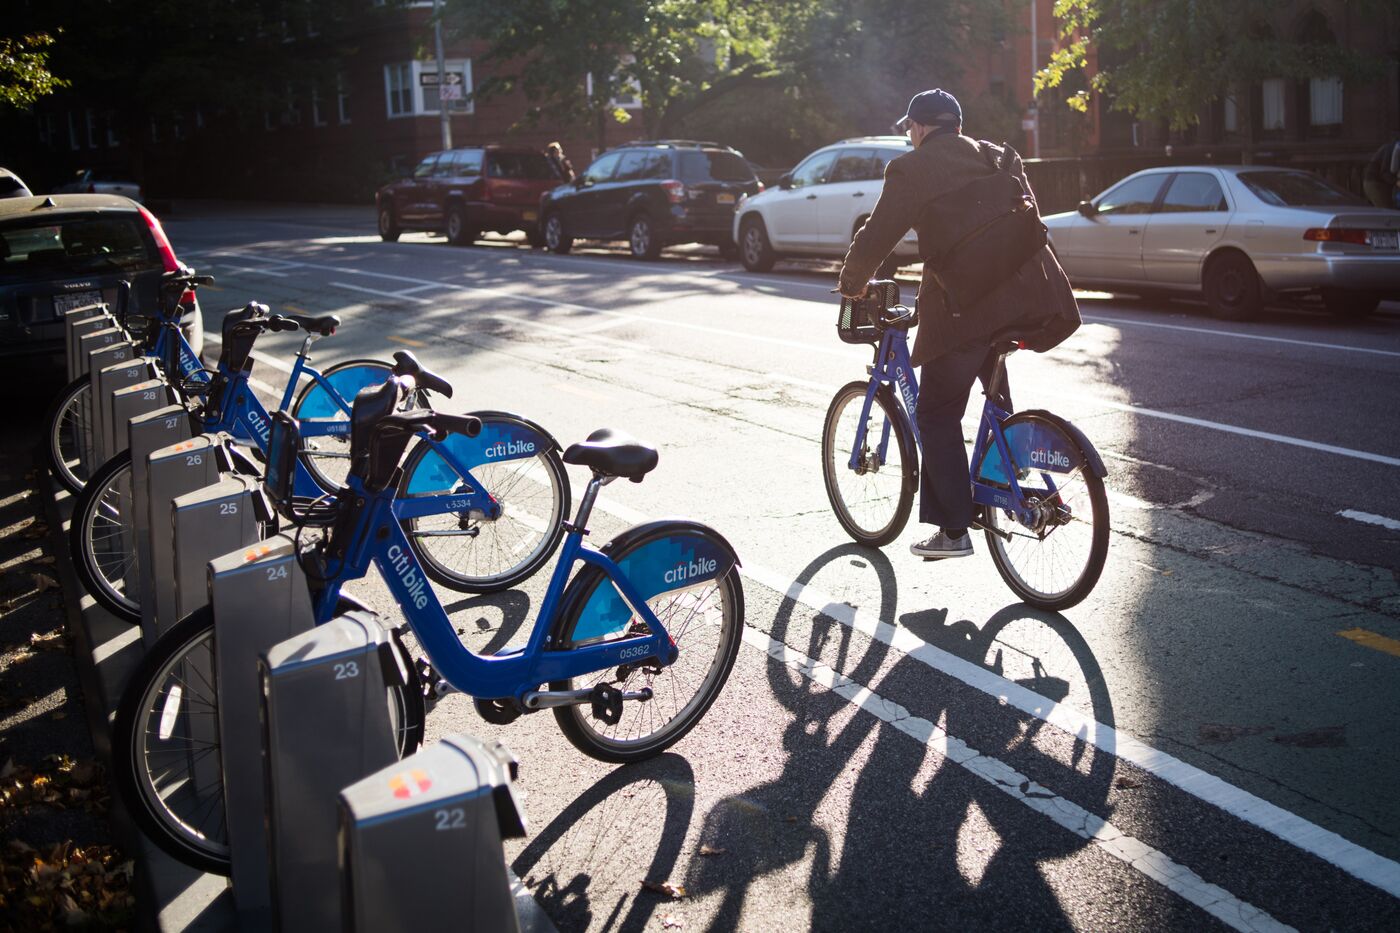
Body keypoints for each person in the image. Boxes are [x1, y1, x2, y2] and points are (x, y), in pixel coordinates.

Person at [837, 88, 1080, 561]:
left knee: (936, 413)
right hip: (1030, 297)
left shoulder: (914, 168)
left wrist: (852, 282)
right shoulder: (996, 156)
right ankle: (1003, 479)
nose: (909, 136)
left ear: (923, 127)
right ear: (958, 126)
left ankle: (953, 529)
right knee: (994, 395)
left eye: (909, 128)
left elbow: (879, 233)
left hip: (969, 306)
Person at [1362, 136, 1399, 209]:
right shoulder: (1392, 149)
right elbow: (1385, 173)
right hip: (1375, 182)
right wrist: (1396, 182)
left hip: (1380, 182)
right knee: (1386, 209)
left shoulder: (1392, 148)